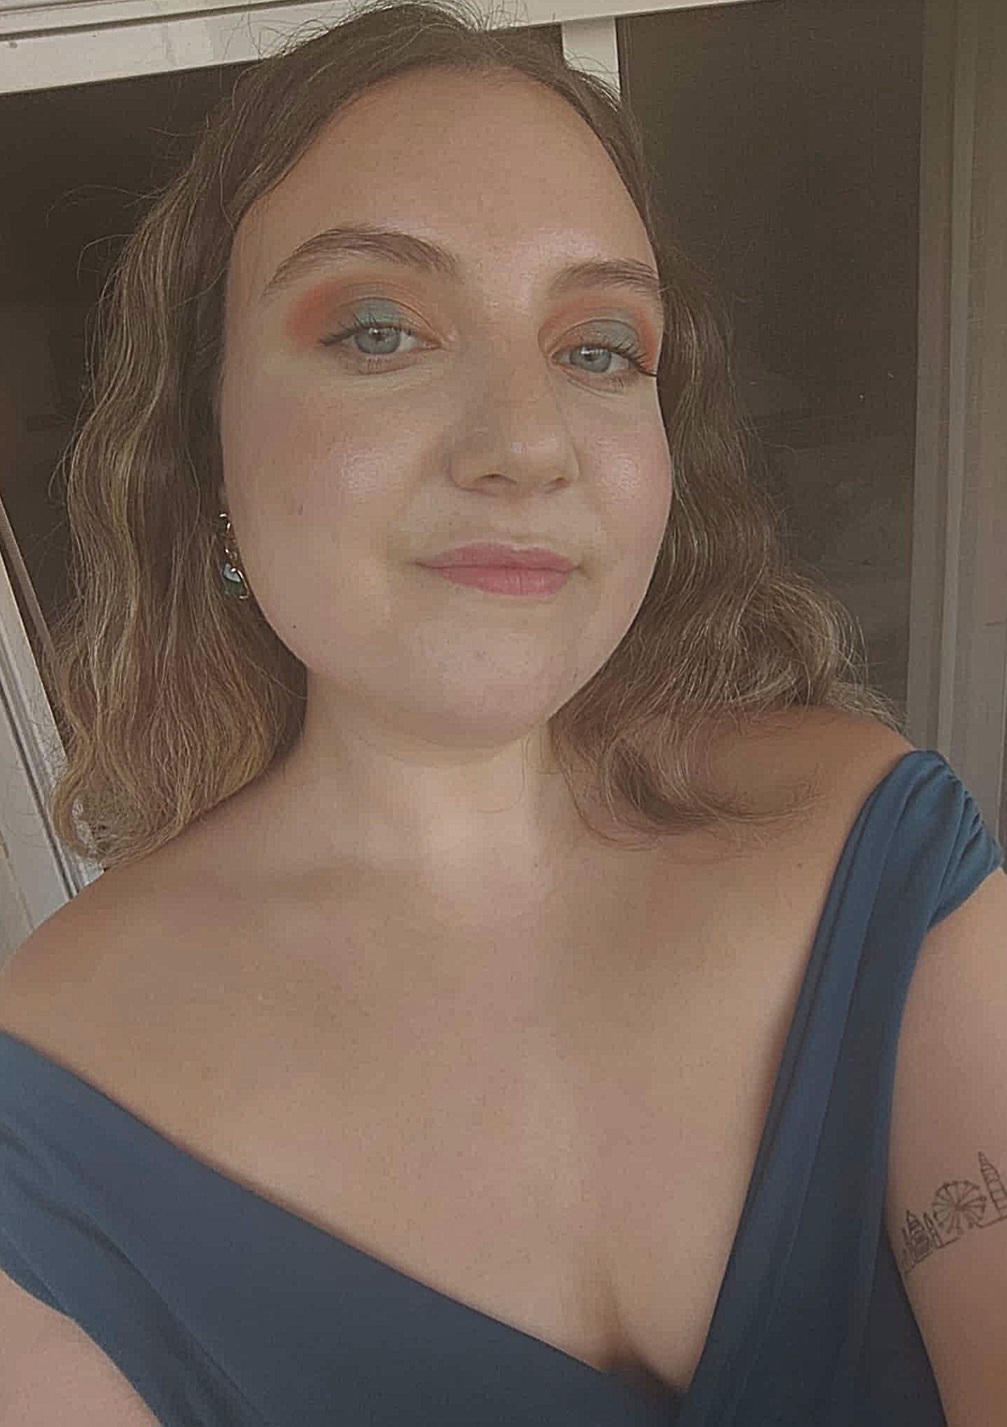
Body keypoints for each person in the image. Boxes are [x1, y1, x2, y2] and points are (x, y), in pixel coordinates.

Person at [0, 2, 1004, 1424]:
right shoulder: (46, 1126)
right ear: (202, 446)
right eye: (379, 330)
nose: (528, 445)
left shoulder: (880, 852)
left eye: (599, 349)